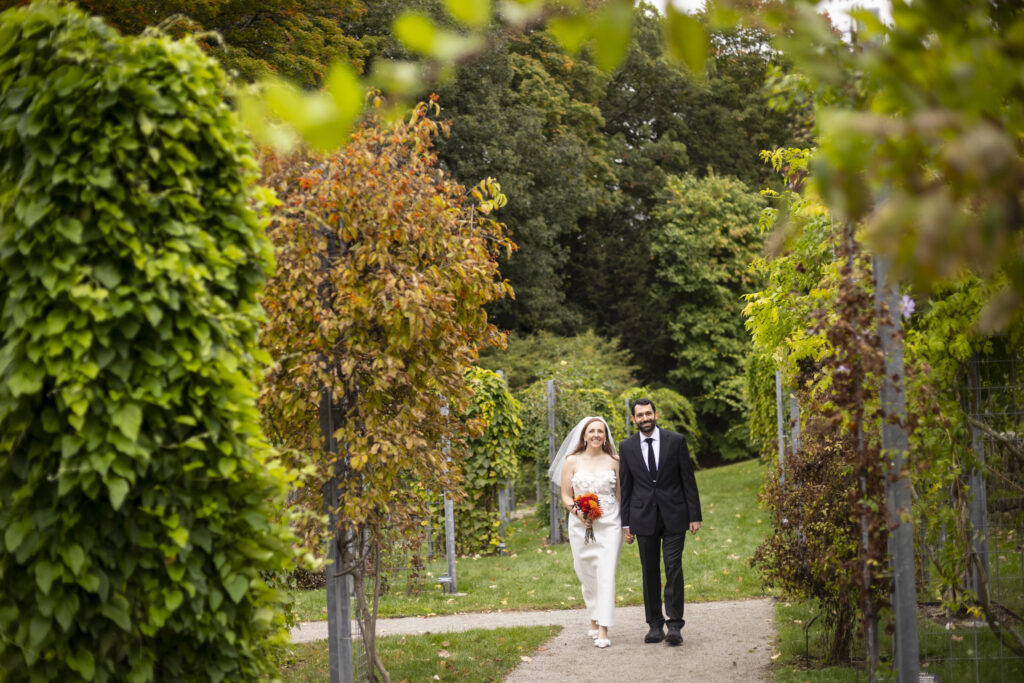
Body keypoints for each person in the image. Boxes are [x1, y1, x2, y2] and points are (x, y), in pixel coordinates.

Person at [619, 398, 702, 646]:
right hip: (643, 517)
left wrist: (694, 515)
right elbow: (627, 486)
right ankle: (654, 625)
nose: (645, 418)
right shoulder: (627, 447)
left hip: (675, 514)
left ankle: (674, 625)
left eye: (648, 413)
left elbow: (688, 479)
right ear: (633, 419)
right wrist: (626, 524)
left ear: (656, 413)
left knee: (673, 566)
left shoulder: (676, 441)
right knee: (649, 571)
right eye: (639, 415)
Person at [549, 416, 622, 648]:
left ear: (606, 435)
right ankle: (593, 614)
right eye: (592, 431)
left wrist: (627, 524)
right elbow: (566, 496)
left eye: (601, 431)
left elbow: (621, 495)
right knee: (586, 572)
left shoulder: (614, 461)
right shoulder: (571, 460)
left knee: (606, 572)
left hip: (610, 522)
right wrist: (580, 514)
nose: (596, 435)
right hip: (581, 523)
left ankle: (603, 627)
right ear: (584, 435)